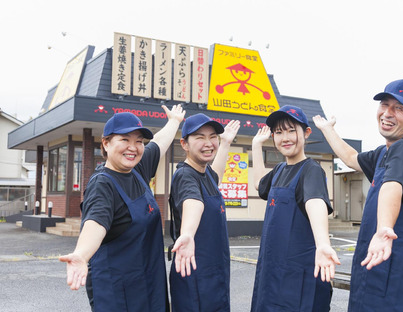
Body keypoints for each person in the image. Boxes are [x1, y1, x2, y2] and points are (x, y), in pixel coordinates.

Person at [313, 79, 403, 312]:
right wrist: (328, 130)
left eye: (399, 108)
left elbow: (392, 185)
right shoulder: (384, 153)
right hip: (376, 266)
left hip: (394, 274)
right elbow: (351, 158)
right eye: (384, 105)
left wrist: (384, 228)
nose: (387, 113)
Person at [59, 105, 185, 312]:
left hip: (149, 283)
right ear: (106, 144)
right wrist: (81, 254)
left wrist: (174, 121)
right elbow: (95, 222)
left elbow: (159, 143)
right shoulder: (102, 185)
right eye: (125, 140)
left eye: (138, 141)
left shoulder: (138, 169)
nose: (133, 147)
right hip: (118, 292)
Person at [250, 105, 341, 312]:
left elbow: (315, 202)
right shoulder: (280, 170)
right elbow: (259, 184)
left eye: (292, 130)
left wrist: (323, 244)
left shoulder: (312, 170)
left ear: (306, 133)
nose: (285, 138)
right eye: (279, 132)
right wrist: (256, 145)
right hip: (272, 273)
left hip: (300, 277)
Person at [167, 114, 239, 311]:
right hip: (195, 274)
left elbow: (217, 175)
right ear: (185, 144)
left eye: (212, 136)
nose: (208, 143)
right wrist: (188, 234)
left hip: (214, 271)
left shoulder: (205, 172)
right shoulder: (185, 175)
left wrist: (225, 143)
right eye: (200, 137)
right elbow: (193, 203)